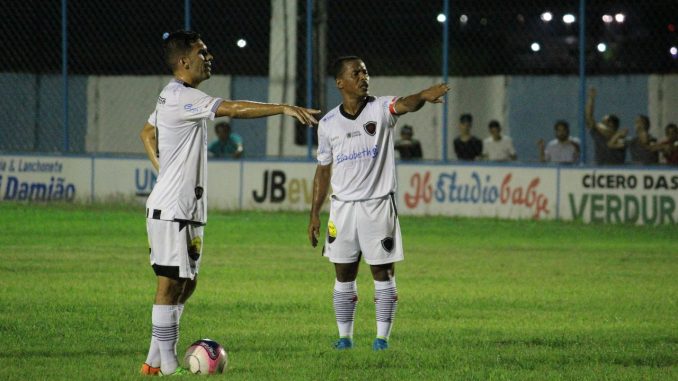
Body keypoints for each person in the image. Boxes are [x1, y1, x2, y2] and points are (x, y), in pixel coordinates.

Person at [139, 30, 319, 376]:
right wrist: (282, 107)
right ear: (184, 62)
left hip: (186, 210)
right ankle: (171, 367)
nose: (209, 57)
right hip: (173, 210)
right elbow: (233, 109)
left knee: (186, 283)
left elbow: (146, 133)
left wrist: (165, 171)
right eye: (202, 52)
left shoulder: (175, 95)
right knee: (169, 284)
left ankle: (152, 361)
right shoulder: (181, 96)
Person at [307, 56, 448, 351]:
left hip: (377, 206)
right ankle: (345, 338)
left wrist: (422, 95)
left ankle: (381, 339)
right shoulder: (328, 123)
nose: (363, 77)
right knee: (343, 275)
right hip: (342, 209)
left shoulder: (381, 109)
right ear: (340, 82)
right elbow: (323, 170)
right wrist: (314, 215)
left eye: (366, 72)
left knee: (382, 274)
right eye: (356, 73)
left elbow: (406, 104)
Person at [585, 87, 625, 165]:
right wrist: (591, 99)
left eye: (604, 122)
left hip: (617, 170)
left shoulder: (621, 138)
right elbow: (589, 117)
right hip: (600, 169)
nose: (601, 124)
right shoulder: (598, 134)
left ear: (612, 125)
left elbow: (611, 144)